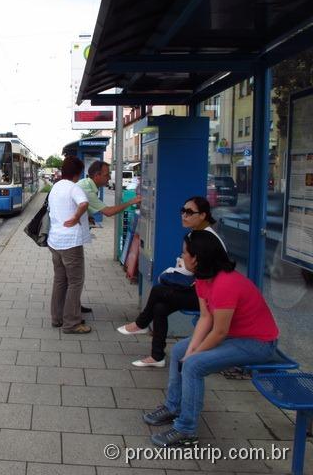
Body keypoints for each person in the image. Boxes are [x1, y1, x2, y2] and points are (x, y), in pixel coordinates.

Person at [142, 230, 279, 447]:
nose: (181, 256)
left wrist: (194, 355)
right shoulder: (203, 278)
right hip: (233, 335)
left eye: (185, 252)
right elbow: (206, 318)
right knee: (179, 351)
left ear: (197, 258)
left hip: (258, 343)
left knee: (194, 365)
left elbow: (219, 332)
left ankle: (187, 430)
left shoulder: (226, 284)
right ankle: (173, 406)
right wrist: (189, 350)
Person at [116, 196, 225, 367]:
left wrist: (172, 272)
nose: (184, 215)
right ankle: (157, 356)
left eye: (189, 212)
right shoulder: (196, 234)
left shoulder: (207, 239)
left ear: (203, 215)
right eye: (183, 211)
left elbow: (193, 270)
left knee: (159, 290)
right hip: (199, 289)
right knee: (160, 308)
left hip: (211, 297)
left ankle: (141, 323)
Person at [76, 160, 142, 312]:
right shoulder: (88, 189)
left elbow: (86, 207)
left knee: (74, 277)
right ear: (97, 175)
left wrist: (87, 216)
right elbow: (109, 212)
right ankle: (72, 313)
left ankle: (73, 306)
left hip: (69, 235)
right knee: (75, 278)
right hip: (70, 238)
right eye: (106, 175)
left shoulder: (87, 184)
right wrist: (132, 201)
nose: (108, 179)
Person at [47, 156, 92, 334]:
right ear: (78, 173)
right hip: (70, 243)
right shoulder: (74, 188)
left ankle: (56, 318)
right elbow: (84, 203)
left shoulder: (55, 187)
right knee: (75, 282)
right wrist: (75, 218)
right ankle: (71, 323)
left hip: (55, 241)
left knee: (60, 280)